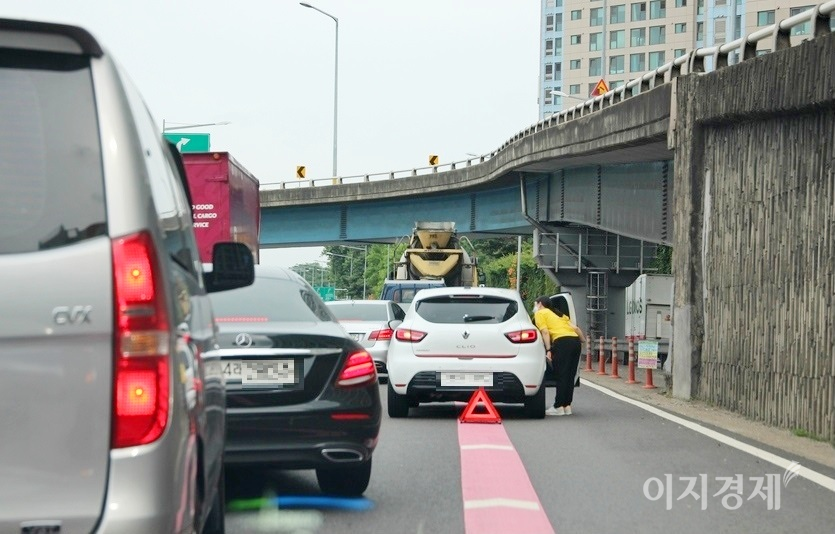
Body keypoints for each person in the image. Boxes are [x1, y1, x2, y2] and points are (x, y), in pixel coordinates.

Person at [533, 295, 586, 416]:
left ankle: (558, 407)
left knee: (561, 374)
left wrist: (548, 349)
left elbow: (545, 332)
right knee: (570, 375)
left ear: (540, 304)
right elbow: (576, 329)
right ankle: (567, 406)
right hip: (575, 342)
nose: (535, 307)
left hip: (561, 342)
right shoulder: (560, 315)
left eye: (535, 304)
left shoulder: (541, 313)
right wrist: (582, 340)